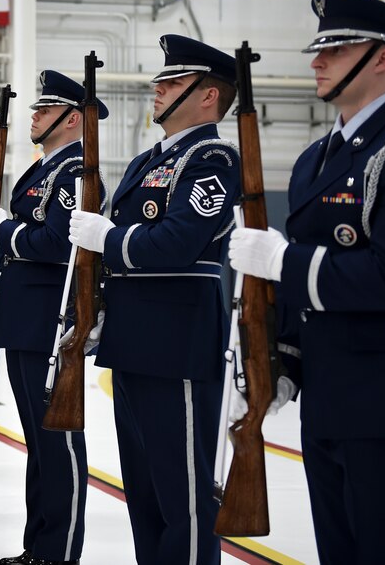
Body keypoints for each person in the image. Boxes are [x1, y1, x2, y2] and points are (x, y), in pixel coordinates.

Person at [228, 0, 385, 564]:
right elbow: (303, 298)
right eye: (318, 50)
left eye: (337, 49)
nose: (317, 61)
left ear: (383, 59)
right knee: (338, 552)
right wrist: (281, 366)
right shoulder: (314, 159)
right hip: (326, 394)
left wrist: (283, 262)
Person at [69, 38, 240, 565]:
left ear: (208, 95)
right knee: (144, 494)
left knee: (184, 493)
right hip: (132, 341)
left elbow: (177, 242)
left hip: (177, 344)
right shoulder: (149, 160)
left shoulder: (212, 158)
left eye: (173, 81)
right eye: (161, 80)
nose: (158, 88)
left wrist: (108, 238)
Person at [0, 71, 107, 565]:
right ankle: (39, 545)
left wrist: (3, 228)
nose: (34, 117)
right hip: (25, 317)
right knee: (37, 439)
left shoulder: (76, 172)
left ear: (71, 119)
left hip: (51, 321)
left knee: (57, 441)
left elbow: (55, 244)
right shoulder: (46, 168)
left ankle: (60, 550)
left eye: (45, 110)